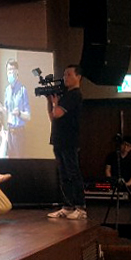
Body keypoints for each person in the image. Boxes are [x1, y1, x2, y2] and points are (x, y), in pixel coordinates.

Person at [46, 65, 86, 220]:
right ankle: (68, 206)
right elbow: (52, 117)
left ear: (78, 77)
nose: (65, 78)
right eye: (64, 75)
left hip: (69, 140)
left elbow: (57, 113)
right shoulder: (65, 96)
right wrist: (49, 101)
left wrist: (55, 103)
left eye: (69, 74)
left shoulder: (74, 95)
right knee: (63, 175)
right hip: (59, 139)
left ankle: (80, 207)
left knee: (73, 173)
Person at [1, 59, 30, 157]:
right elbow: (7, 111)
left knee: (19, 160)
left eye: (12, 70)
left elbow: (28, 116)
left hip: (19, 132)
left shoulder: (23, 90)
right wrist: (1, 110)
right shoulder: (7, 90)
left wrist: (19, 113)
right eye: (8, 70)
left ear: (17, 71)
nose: (10, 73)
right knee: (10, 160)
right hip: (9, 131)